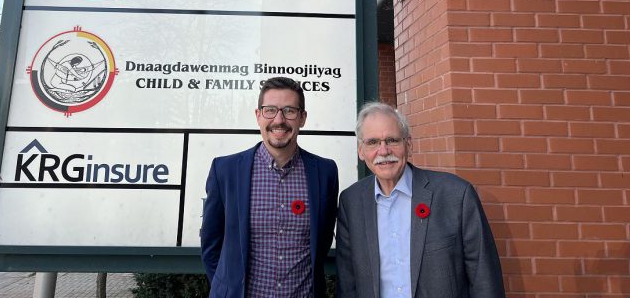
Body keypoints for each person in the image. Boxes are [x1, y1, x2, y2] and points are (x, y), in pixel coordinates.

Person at [336, 102, 505, 298]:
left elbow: (483, 277)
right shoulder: (351, 202)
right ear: (361, 151)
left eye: (392, 140)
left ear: (408, 145)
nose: (383, 151)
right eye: (372, 142)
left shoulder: (455, 195)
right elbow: (347, 283)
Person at [201, 77, 339, 297]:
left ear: (302, 118)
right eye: (270, 110)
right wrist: (226, 286)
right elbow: (211, 243)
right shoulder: (225, 170)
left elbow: (322, 241)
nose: (279, 119)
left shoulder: (325, 172)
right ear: (258, 116)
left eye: (290, 111)